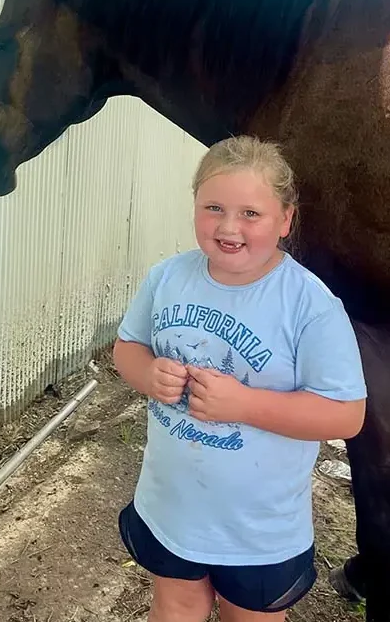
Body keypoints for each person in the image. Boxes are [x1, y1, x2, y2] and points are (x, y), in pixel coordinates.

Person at [113, 135, 367, 622]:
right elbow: (126, 348)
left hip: (259, 531)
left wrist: (243, 405)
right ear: (194, 206)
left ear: (286, 218)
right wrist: (147, 374)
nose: (229, 227)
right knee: (175, 605)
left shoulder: (309, 305)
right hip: (172, 506)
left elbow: (346, 414)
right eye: (213, 208)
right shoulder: (167, 278)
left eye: (251, 213)